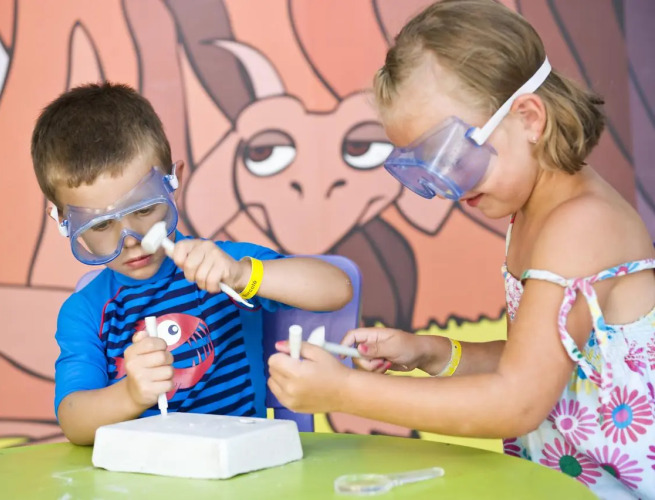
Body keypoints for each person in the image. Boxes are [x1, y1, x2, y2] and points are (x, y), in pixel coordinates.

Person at [266, 1, 655, 497]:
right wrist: (432, 351)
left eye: (451, 157)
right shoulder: (534, 213)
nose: (446, 187)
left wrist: (345, 391)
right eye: (425, 168)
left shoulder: (580, 224)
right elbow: (539, 361)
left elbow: (518, 401)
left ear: (528, 118)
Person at [31, 82, 352, 445]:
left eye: (144, 209)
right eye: (101, 225)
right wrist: (131, 394)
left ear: (173, 182)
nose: (132, 239)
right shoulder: (86, 312)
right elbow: (74, 422)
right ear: (64, 221)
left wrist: (243, 274)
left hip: (242, 462)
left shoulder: (224, 266)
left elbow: (336, 288)